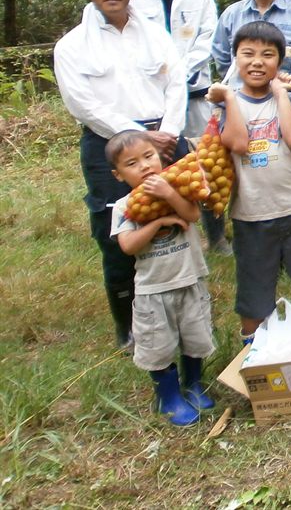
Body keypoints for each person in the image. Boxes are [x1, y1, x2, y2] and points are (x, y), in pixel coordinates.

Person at [54, 0, 187, 347]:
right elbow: (84, 105)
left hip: (164, 138)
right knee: (117, 228)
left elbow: (176, 82)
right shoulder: (73, 45)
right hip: (108, 144)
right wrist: (138, 137)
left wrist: (170, 132)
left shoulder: (153, 32)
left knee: (175, 217)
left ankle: (179, 308)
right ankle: (128, 326)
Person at [207, 20, 291, 345]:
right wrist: (228, 97)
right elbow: (238, 143)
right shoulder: (227, 103)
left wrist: (281, 92)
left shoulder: (289, 99)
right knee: (255, 289)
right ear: (234, 58)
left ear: (279, 62)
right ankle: (254, 358)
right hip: (251, 215)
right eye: (248, 54)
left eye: (267, 55)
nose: (257, 62)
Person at [131, 0, 227, 255]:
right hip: (151, 98)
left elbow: (208, 36)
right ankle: (170, 232)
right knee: (159, 164)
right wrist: (164, 79)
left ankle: (217, 235)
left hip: (196, 91)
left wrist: (179, 73)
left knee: (208, 162)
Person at [108, 130, 215, 426]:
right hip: (153, 290)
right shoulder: (124, 206)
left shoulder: (178, 187)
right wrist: (158, 222)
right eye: (132, 163)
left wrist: (169, 195)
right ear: (118, 175)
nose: (144, 166)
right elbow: (128, 245)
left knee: (195, 336)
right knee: (159, 345)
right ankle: (168, 397)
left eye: (148, 157)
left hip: (190, 279)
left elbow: (192, 215)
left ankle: (193, 385)